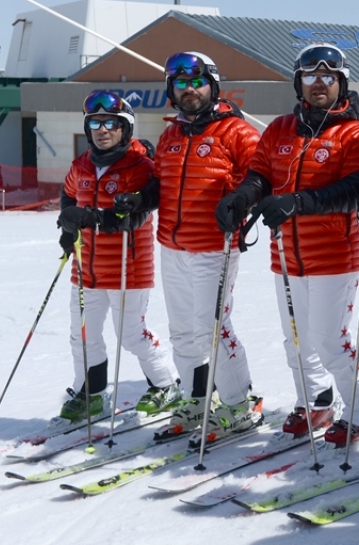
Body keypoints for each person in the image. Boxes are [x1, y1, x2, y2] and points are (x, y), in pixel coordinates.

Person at [215, 44, 359, 447]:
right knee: (297, 340)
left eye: (328, 77)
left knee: (331, 341)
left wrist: (299, 202)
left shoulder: (354, 135)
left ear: (341, 83)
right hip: (287, 254)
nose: (319, 84)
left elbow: (357, 188)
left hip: (335, 255)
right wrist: (242, 197)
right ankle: (316, 402)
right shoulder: (280, 129)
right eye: (310, 76)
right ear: (298, 82)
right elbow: (260, 174)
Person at [151, 52, 261, 443]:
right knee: (182, 331)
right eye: (181, 84)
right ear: (172, 90)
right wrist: (138, 196)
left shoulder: (236, 132)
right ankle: (197, 398)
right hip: (172, 244)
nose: (190, 90)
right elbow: (159, 183)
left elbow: (263, 176)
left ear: (212, 86)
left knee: (211, 328)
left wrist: (242, 199)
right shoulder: (170, 134)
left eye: (197, 82)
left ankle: (237, 404)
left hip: (214, 245)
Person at [55, 91, 179, 423]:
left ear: (125, 128)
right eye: (95, 124)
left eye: (111, 123)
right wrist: (68, 225)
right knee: (83, 335)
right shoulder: (81, 165)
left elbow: (134, 217)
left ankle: (166, 384)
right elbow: (68, 195)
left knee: (131, 335)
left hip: (128, 267)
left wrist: (90, 217)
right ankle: (91, 393)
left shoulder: (140, 166)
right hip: (86, 268)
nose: (102, 130)